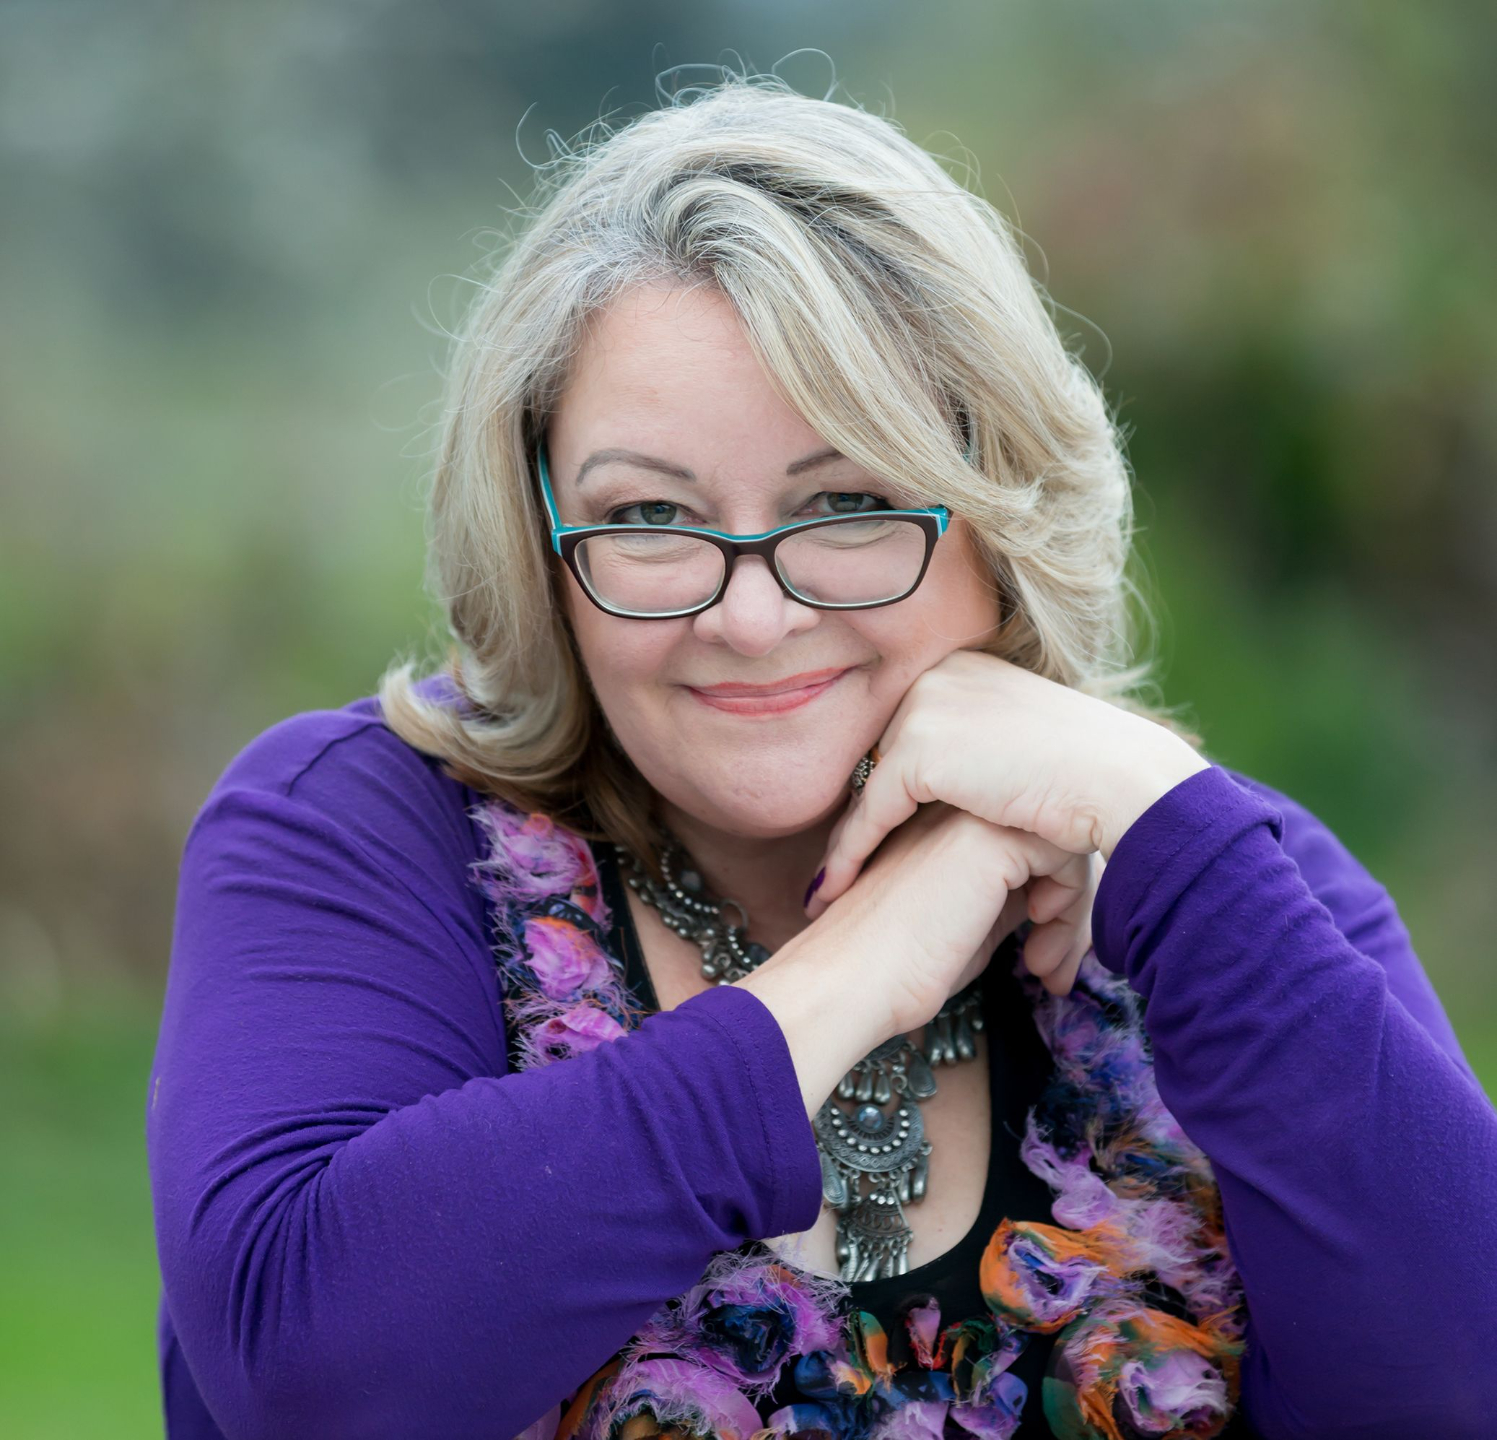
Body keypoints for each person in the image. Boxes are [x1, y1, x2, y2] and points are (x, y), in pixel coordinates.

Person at [145, 73, 1497, 1440]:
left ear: (1002, 512)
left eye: (846, 502)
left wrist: (1161, 821)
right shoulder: (359, 836)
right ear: (537, 537)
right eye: (650, 514)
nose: (750, 616)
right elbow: (309, 1372)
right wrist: (856, 968)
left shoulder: (1216, 875)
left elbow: (1461, 1383)